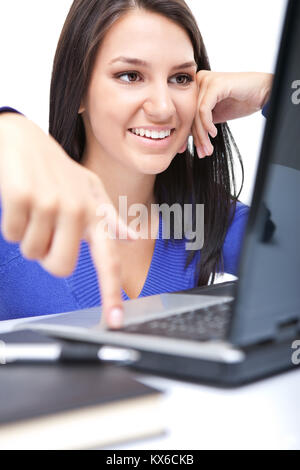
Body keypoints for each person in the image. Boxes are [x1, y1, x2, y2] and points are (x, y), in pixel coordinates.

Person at [0, 0, 273, 328]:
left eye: (181, 78)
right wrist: (7, 124)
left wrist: (280, 93)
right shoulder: (15, 207)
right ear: (79, 91)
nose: (163, 107)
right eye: (130, 75)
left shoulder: (201, 216)